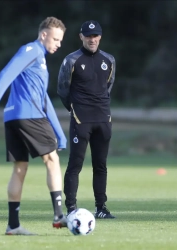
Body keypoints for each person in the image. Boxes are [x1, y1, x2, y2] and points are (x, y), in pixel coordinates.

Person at [0, 17, 68, 235]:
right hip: (29, 115)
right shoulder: (32, 50)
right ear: (43, 35)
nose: (59, 43)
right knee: (52, 159)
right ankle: (59, 214)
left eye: (61, 40)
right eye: (56, 39)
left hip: (13, 118)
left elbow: (44, 100)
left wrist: (60, 133)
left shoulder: (39, 59)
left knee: (20, 168)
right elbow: (6, 74)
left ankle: (13, 225)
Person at [57, 20, 116, 219]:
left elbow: (108, 87)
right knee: (75, 164)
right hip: (81, 121)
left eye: (95, 36)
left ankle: (101, 208)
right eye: (88, 36)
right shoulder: (71, 60)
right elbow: (62, 90)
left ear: (100, 37)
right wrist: (75, 109)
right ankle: (71, 209)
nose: (92, 39)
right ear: (81, 36)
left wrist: (101, 108)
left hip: (103, 120)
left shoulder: (109, 60)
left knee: (101, 165)